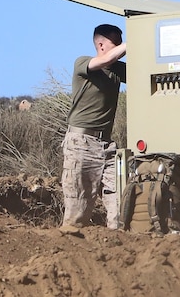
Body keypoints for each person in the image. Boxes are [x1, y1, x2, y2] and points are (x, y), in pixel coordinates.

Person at [61, 23, 127, 229]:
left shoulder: (117, 70)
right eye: (115, 42)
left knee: (121, 203)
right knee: (77, 211)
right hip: (81, 143)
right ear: (100, 44)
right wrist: (132, 42)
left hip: (107, 146)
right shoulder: (83, 63)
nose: (119, 46)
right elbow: (106, 59)